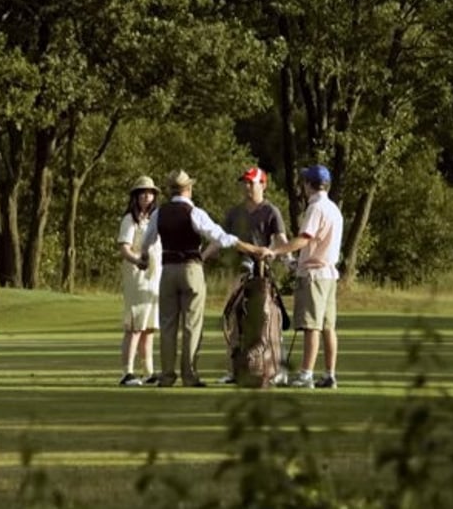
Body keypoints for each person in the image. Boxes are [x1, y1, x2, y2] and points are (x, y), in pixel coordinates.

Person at [138, 169, 265, 387]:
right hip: (191, 269)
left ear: (170, 190)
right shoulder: (194, 212)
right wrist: (252, 248)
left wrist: (142, 258)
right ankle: (189, 375)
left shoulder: (160, 213)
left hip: (167, 271)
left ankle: (167, 375)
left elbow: (147, 241)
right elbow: (221, 237)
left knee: (168, 325)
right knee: (192, 325)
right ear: (188, 188)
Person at [202, 167, 291, 384]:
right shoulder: (234, 212)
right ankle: (234, 370)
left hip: (262, 274)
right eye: (245, 182)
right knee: (235, 320)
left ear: (263, 184)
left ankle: (276, 368)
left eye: (252, 182)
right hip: (238, 273)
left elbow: (280, 239)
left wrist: (289, 261)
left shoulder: (271, 211)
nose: (248, 186)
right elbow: (219, 239)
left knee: (267, 321)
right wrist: (202, 257)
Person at [266, 165, 343, 389]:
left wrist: (276, 251)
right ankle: (329, 374)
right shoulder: (333, 209)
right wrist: (294, 262)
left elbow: (304, 239)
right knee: (328, 326)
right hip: (328, 274)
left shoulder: (316, 208)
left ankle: (306, 375)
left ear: (309, 184)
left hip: (314, 276)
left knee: (312, 326)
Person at [115, 176, 162, 386]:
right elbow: (124, 248)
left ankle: (149, 372)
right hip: (137, 278)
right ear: (136, 196)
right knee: (135, 326)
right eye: (142, 192)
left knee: (148, 327)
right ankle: (128, 372)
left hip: (154, 278)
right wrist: (138, 261)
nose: (147, 195)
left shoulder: (155, 219)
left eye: (150, 192)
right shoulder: (130, 219)